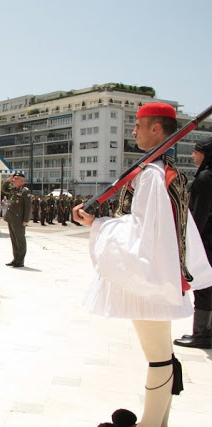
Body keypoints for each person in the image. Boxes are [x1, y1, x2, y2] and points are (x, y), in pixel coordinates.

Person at [73, 103, 212, 426]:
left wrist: (98, 224)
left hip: (150, 279)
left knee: (159, 358)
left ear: (156, 129)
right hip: (159, 277)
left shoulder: (152, 175)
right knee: (162, 356)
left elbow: (142, 232)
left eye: (138, 125)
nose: (133, 131)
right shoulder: (165, 171)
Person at [174, 138, 212, 349]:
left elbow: (199, 215)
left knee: (204, 286)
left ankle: (201, 334)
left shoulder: (206, 178)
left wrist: (187, 240)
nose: (192, 155)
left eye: (196, 152)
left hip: (206, 240)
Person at [2, 172, 31, 268]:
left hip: (19, 219)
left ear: (22, 181)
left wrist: (26, 220)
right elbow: (4, 189)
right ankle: (15, 259)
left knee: (20, 240)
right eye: (13, 178)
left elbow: (28, 207)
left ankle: (20, 261)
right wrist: (7, 181)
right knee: (14, 240)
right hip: (11, 218)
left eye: (16, 178)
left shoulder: (25, 191)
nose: (13, 180)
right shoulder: (14, 190)